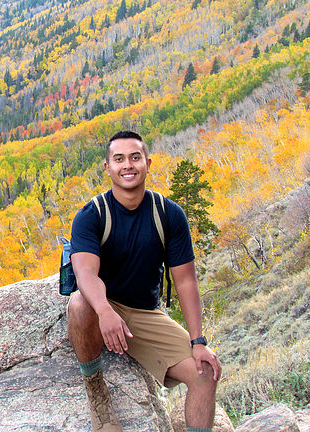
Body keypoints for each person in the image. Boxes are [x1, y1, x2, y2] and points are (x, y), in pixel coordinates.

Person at [67, 130, 221, 432]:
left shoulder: (169, 214)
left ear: (147, 163)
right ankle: (96, 389)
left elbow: (186, 281)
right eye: (119, 159)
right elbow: (85, 272)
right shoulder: (92, 214)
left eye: (135, 158)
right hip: (101, 305)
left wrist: (198, 341)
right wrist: (105, 311)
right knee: (79, 302)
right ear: (108, 168)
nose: (128, 165)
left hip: (145, 314)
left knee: (206, 373)